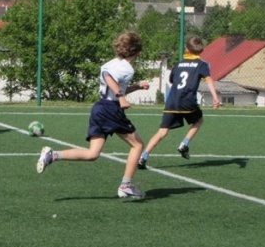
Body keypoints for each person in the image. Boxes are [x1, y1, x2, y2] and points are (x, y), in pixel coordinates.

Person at [36, 31, 150, 199]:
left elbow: (110, 80)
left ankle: (53, 155)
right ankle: (126, 185)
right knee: (138, 145)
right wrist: (121, 97)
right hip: (111, 109)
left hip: (100, 108)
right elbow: (108, 78)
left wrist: (136, 87)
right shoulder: (126, 68)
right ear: (138, 52)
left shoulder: (113, 63)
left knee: (93, 154)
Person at [138, 36, 219, 169]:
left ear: (187, 49)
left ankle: (143, 157)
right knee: (198, 120)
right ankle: (184, 143)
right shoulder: (202, 64)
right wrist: (215, 97)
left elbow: (172, 80)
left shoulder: (178, 64)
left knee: (162, 132)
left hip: (172, 102)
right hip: (188, 101)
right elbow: (209, 80)